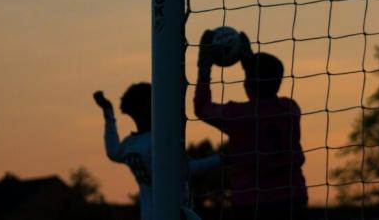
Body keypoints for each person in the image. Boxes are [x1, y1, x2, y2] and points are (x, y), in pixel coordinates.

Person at [194, 30, 308, 220]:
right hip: (293, 199)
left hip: (252, 203)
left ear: (247, 83)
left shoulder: (238, 116)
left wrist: (204, 66)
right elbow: (260, 83)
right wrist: (250, 62)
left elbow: (202, 108)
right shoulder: (290, 109)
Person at [93, 83, 218, 220]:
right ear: (144, 108)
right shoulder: (157, 141)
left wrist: (108, 111)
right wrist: (222, 159)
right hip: (172, 213)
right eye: (154, 101)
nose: (160, 105)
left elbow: (112, 150)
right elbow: (182, 171)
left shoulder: (130, 145)